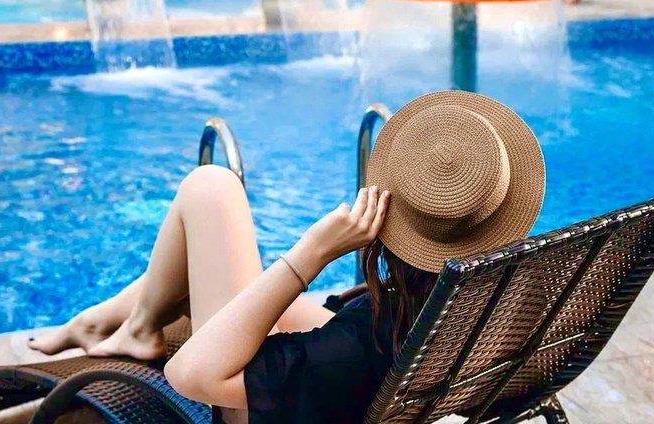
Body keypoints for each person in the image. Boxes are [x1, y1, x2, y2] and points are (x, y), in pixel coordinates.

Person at [29, 90, 545, 423]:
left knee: (213, 189)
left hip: (269, 409)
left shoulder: (361, 344)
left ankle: (135, 327)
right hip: (348, 378)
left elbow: (192, 374)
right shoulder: (490, 300)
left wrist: (311, 254)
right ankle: (106, 322)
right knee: (223, 267)